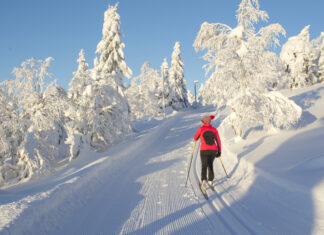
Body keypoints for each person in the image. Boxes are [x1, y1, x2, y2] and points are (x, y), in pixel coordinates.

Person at [194, 115, 221, 193]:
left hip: (204, 150)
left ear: (203, 122)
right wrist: (219, 152)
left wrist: (198, 136)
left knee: (204, 165)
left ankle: (203, 181)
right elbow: (218, 141)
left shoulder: (201, 129)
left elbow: (195, 138)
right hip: (213, 150)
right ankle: (210, 181)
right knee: (210, 165)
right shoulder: (214, 130)